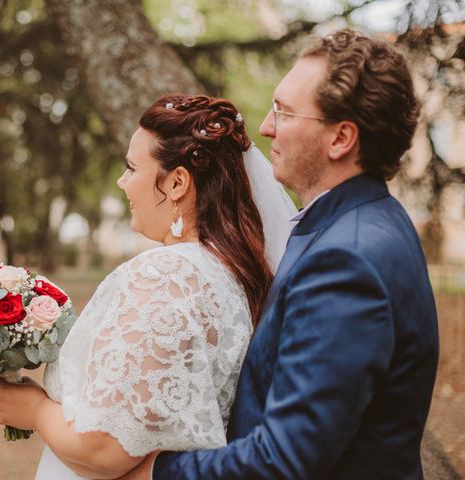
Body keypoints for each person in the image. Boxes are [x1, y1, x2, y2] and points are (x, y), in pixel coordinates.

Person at [122, 28, 440, 480]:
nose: (266, 127)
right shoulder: (360, 219)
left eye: (285, 113)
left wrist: (157, 473)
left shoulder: (347, 260)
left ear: (341, 138)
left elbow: (286, 460)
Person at [0, 94, 297, 479]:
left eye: (132, 168)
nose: (123, 182)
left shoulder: (165, 275)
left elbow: (104, 448)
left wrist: (33, 410)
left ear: (178, 182)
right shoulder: (233, 272)